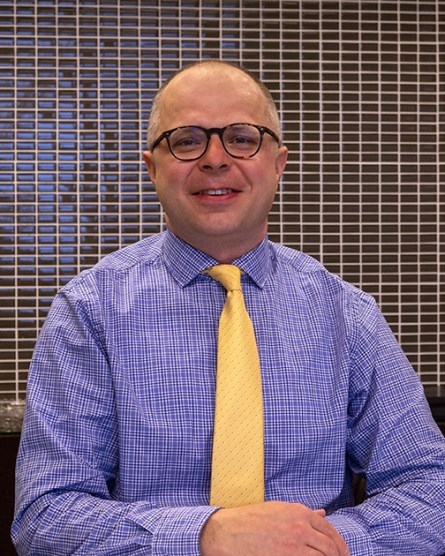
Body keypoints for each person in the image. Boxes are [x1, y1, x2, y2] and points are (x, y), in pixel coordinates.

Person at [12, 60, 445, 556]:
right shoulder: (87, 314)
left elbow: (431, 490)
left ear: (278, 164)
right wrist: (206, 536)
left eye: (242, 137)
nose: (216, 159)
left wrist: (319, 544)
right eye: (187, 139)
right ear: (152, 169)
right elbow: (45, 516)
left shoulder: (347, 315)